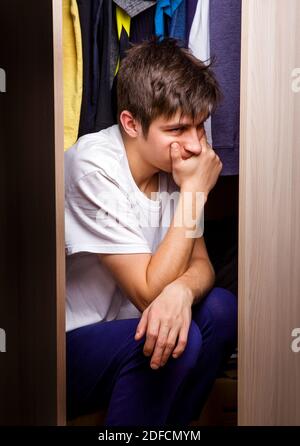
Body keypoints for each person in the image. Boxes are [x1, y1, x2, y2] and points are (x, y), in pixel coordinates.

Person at [65, 37, 237, 426]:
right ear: (130, 123)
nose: (194, 146)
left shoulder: (176, 167)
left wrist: (180, 290)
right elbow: (147, 295)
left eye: (200, 127)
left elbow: (203, 267)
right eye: (177, 129)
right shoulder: (93, 166)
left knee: (223, 309)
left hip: (139, 333)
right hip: (69, 350)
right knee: (176, 337)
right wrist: (195, 192)